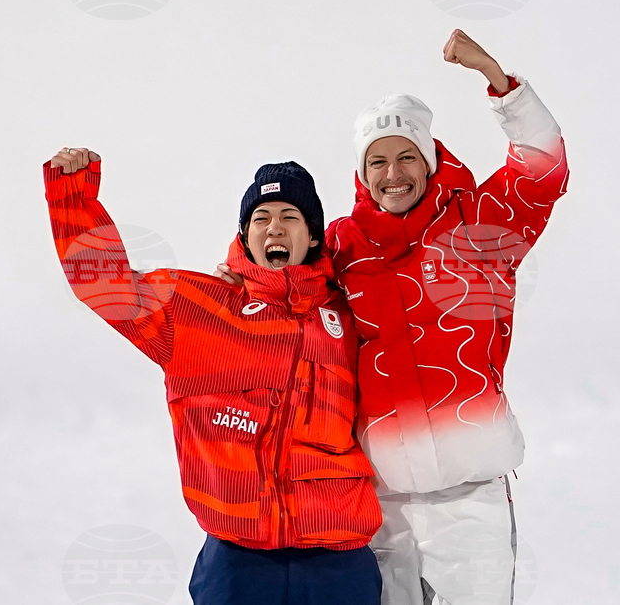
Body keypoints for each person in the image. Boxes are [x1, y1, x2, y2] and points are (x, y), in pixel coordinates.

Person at [217, 30, 568, 604]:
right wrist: (238, 273)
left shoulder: (478, 227)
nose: (393, 172)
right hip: (380, 500)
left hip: (471, 493)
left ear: (429, 159)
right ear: (363, 173)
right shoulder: (342, 249)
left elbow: (543, 166)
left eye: (407, 155)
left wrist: (497, 81)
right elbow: (283, 274)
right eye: (377, 161)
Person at [45, 150, 382, 604]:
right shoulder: (197, 310)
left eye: (290, 216)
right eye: (261, 218)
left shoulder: (354, 317)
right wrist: (73, 195)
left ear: (314, 236)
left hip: (339, 560)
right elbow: (106, 286)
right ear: (245, 235)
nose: (274, 227)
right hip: (236, 558)